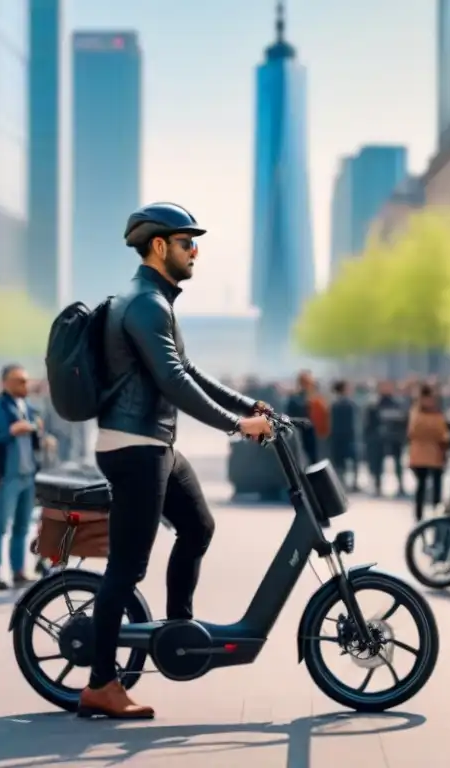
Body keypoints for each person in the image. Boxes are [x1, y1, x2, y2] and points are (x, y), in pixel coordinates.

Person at [79, 203, 272, 720]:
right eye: (188, 242)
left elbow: (188, 368)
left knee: (198, 526)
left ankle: (177, 630)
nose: (196, 251)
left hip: (155, 443)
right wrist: (236, 427)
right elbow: (173, 381)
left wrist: (246, 405)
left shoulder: (154, 301)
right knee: (127, 568)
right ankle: (100, 682)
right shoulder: (143, 303)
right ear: (160, 246)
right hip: (135, 446)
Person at [0, 364, 45, 591]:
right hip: (5, 476)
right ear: (6, 382)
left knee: (22, 527)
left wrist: (38, 431)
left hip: (28, 474)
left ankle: (18, 571)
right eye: (19, 381)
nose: (25, 385)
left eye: (26, 380)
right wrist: (10, 433)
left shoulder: (29, 407)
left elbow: (36, 438)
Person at [407, 384, 449, 521]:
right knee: (421, 486)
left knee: (437, 486)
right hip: (420, 455)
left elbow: (442, 432)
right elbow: (414, 431)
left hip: (436, 454)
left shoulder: (437, 413)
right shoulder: (417, 413)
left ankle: (436, 512)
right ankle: (418, 515)